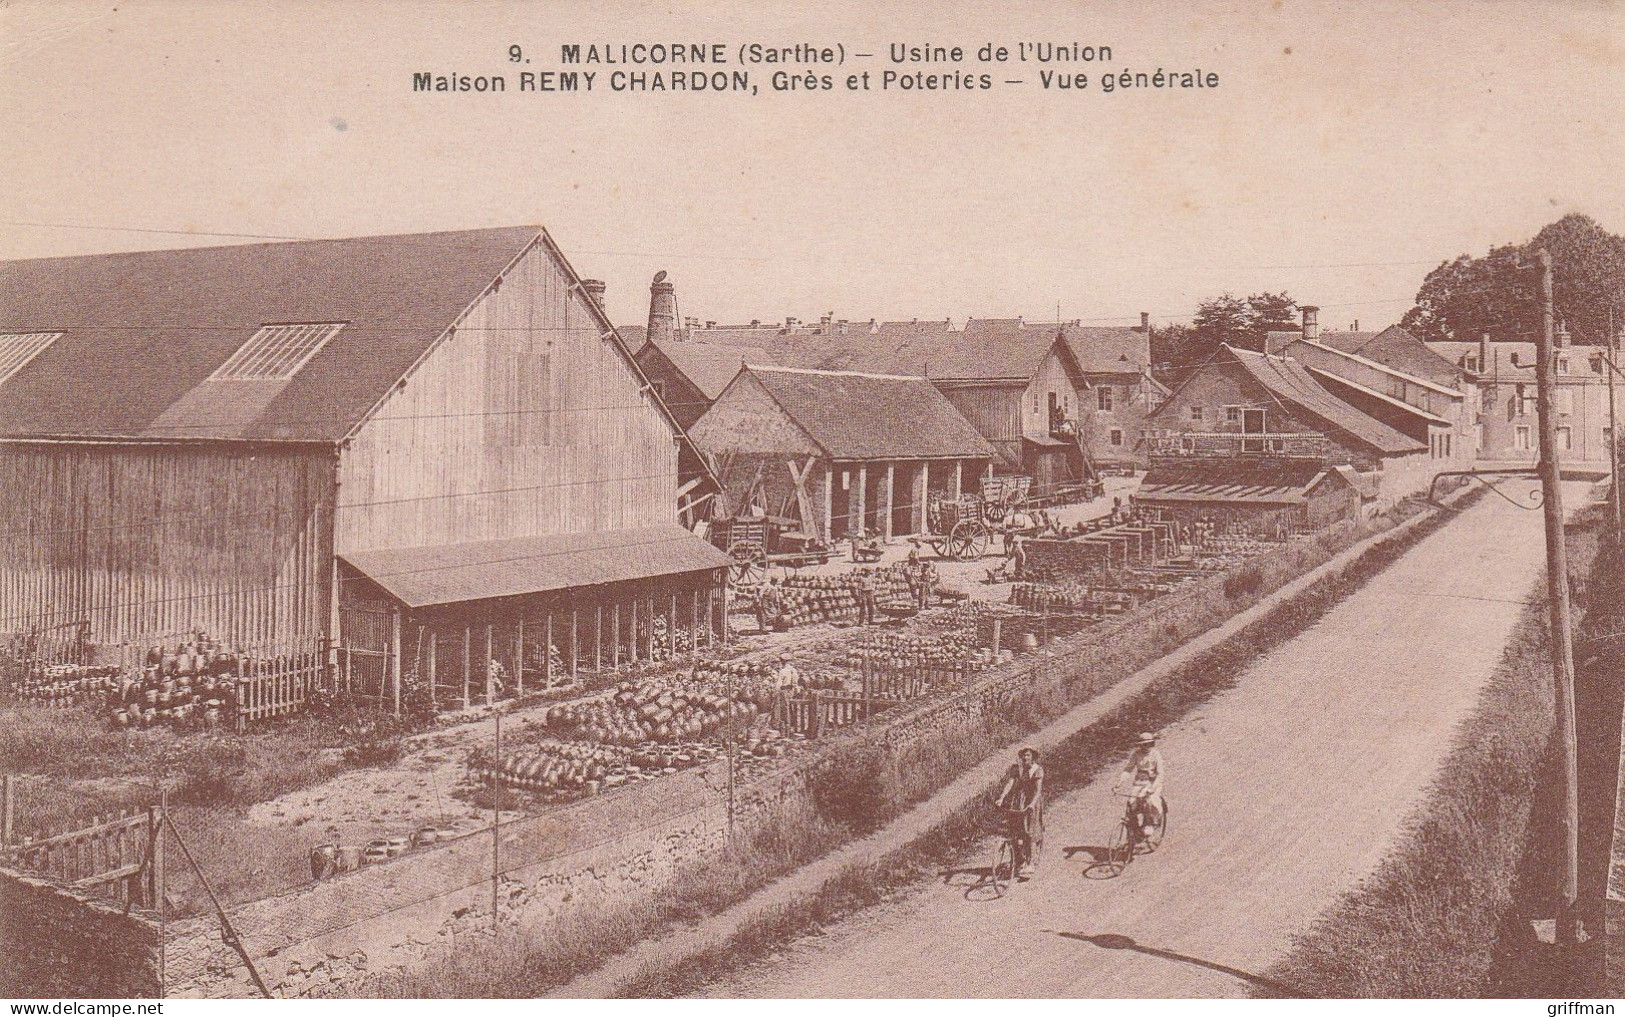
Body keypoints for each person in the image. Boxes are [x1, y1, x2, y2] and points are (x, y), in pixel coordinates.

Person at [996, 746, 1045, 875]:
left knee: (1028, 831)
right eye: (1023, 755)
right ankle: (1018, 860)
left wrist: (1032, 805)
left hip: (1032, 801)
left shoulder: (1037, 770)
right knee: (1014, 831)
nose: (1025, 758)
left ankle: (1030, 863)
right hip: (1019, 800)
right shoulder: (1018, 768)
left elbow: (1038, 791)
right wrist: (1001, 798)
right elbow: (1010, 783)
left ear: (1033, 757)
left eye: (1028, 755)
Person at [1116, 732, 1165, 836]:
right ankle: (1135, 828)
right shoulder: (1136, 754)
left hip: (1152, 782)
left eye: (1150, 744)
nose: (1147, 747)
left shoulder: (1155, 754)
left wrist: (1152, 788)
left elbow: (1160, 774)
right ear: (1140, 745)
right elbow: (1128, 769)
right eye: (1144, 744)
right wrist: (1119, 783)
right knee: (1131, 803)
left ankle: (1150, 822)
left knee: (1148, 801)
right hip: (1139, 782)